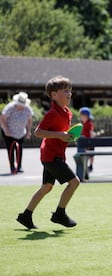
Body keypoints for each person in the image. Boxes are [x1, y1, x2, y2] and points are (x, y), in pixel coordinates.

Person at [16, 75, 80, 230]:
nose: (69, 94)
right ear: (54, 95)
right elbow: (38, 132)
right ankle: (59, 214)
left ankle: (26, 216)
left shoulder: (67, 112)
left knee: (47, 187)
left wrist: (66, 137)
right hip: (51, 157)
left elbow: (60, 133)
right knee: (74, 182)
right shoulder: (53, 113)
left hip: (53, 155)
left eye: (70, 90)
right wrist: (60, 135)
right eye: (65, 91)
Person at [0, 91, 33, 174]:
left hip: (21, 132)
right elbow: (2, 119)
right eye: (20, 104)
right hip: (9, 133)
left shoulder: (27, 109)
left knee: (19, 149)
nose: (22, 106)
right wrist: (6, 130)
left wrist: (29, 131)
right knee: (11, 150)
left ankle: (19, 166)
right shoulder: (9, 108)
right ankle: (12, 167)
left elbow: (29, 120)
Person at [79, 107, 96, 174]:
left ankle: (90, 165)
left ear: (85, 116)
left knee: (90, 155)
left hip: (89, 142)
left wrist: (92, 136)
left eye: (81, 115)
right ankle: (88, 166)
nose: (80, 117)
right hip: (85, 142)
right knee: (89, 154)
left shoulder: (89, 123)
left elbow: (91, 132)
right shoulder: (84, 123)